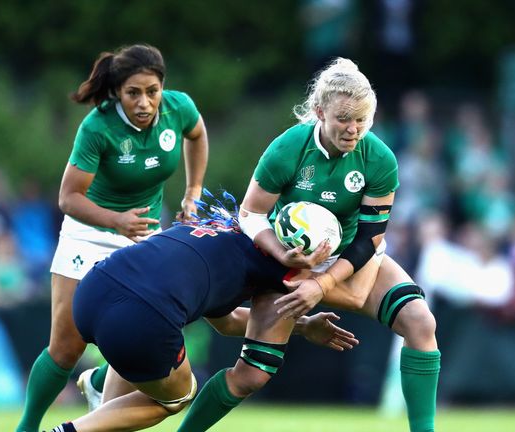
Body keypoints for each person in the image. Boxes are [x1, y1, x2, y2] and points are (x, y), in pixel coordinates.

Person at [178, 58, 440, 432]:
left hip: (351, 258)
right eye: (344, 119)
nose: (353, 129)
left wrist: (323, 283)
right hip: (288, 264)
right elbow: (251, 214)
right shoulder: (288, 148)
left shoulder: (379, 159)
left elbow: (369, 239)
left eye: (362, 120)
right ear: (319, 111)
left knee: (420, 321)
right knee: (250, 376)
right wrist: (281, 252)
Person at [15, 44, 209, 432]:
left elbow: (198, 134)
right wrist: (116, 220)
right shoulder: (98, 126)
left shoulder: (178, 108)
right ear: (117, 91)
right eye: (133, 92)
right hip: (89, 235)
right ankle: (27, 426)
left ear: (162, 87)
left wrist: (194, 191)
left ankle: (102, 381)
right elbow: (68, 198)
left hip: (143, 240)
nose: (144, 102)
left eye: (152, 91)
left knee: (141, 335)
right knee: (67, 348)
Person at [44, 217, 359, 432]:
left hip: (93, 290)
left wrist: (302, 326)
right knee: (178, 396)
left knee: (135, 377)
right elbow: (352, 295)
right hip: (143, 316)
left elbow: (228, 321)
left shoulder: (217, 229)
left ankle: (98, 390)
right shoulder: (278, 265)